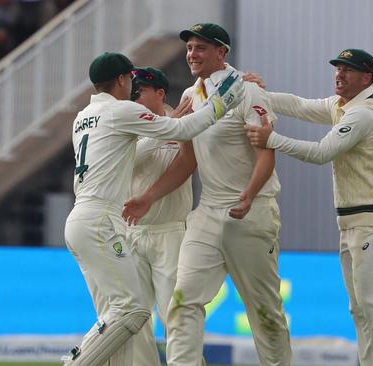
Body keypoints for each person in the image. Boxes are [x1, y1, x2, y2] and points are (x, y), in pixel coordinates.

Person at [123, 23, 292, 366]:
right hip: (208, 213)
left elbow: (266, 153)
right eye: (189, 48)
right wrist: (149, 197)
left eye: (201, 48)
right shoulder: (190, 96)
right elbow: (188, 160)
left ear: (221, 53)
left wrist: (248, 195)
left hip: (252, 213)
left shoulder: (248, 91)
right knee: (182, 303)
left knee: (264, 312)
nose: (192, 54)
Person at [62, 51, 244, 366]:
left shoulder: (83, 117)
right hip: (104, 222)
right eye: (130, 80)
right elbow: (182, 131)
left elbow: (139, 149)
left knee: (123, 315)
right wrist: (222, 102)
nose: (132, 87)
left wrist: (171, 122)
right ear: (120, 79)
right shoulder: (122, 112)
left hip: (84, 220)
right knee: (131, 310)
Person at [244, 49, 373, 366]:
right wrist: (259, 94)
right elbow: (299, 105)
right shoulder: (341, 106)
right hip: (352, 221)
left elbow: (322, 153)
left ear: (367, 77)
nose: (339, 74)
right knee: (360, 306)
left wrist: (272, 139)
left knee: (372, 300)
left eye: (347, 70)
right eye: (337, 68)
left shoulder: (364, 113)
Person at [128, 66, 197, 366]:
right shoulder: (128, 124)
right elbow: (127, 161)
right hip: (132, 231)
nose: (134, 98)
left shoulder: (182, 123)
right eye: (132, 92)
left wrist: (174, 128)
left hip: (170, 232)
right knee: (135, 318)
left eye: (140, 92)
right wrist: (167, 126)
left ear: (159, 93)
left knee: (175, 316)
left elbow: (189, 162)